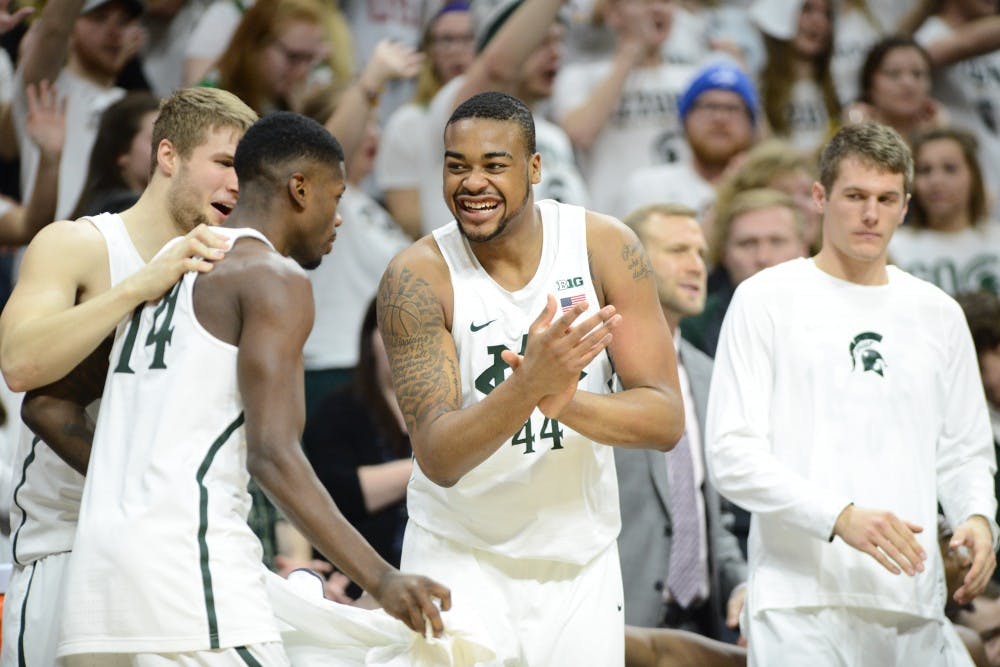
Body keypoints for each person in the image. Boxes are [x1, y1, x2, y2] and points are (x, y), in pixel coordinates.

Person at [57, 111, 450, 664]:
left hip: (96, 588)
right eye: (335, 198)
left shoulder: (164, 269)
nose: (339, 219)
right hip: (187, 573)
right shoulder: (272, 278)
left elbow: (47, 407)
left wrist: (139, 477)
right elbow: (273, 455)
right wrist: (382, 579)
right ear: (299, 188)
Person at [377, 90, 684, 665]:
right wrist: (529, 386)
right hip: (458, 553)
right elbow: (440, 458)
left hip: (580, 559)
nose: (472, 183)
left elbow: (665, 419)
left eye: (494, 165)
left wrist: (564, 400)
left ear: (534, 168)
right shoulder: (416, 277)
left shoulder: (605, 246)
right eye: (456, 166)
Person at [706, 121, 998, 666]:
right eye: (856, 197)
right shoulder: (765, 298)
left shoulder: (938, 313)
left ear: (906, 206)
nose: (871, 214)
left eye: (887, 199)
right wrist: (839, 515)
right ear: (820, 197)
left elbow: (964, 451)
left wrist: (977, 517)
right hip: (798, 605)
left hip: (913, 601)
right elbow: (731, 454)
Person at [0, 86, 256, 667]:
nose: (237, 185)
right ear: (168, 157)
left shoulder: (225, 273)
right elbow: (19, 363)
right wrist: (140, 285)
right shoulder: (78, 244)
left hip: (175, 555)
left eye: (246, 170)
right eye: (223, 163)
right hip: (66, 548)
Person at [617, 203, 747, 639]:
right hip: (619, 624)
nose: (696, 266)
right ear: (629, 261)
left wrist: (741, 581)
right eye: (677, 250)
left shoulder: (707, 371)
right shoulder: (593, 368)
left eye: (700, 253)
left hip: (704, 625)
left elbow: (714, 509)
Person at [302, 298, 413, 599]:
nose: (402, 339)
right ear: (370, 337)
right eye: (390, 329)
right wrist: (432, 466)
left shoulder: (451, 407)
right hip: (356, 583)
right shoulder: (339, 409)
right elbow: (337, 493)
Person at [11, 0, 143, 219]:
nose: (114, 32)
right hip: (48, 247)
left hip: (115, 249)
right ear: (71, 26)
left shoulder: (135, 106)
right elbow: (54, 29)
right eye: (99, 18)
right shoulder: (47, 87)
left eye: (124, 22)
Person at [617, 60, 759, 219]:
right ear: (685, 119)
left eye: (732, 109)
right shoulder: (648, 187)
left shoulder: (768, 189)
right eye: (710, 106)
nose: (720, 118)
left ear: (751, 125)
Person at [681, 188, 809, 359]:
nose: (762, 257)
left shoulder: (835, 312)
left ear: (803, 249)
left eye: (777, 242)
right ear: (724, 254)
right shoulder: (696, 325)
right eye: (747, 244)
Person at [890, 127, 1000, 296]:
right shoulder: (893, 247)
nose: (936, 181)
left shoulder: (996, 239)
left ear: (973, 176)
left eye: (950, 168)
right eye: (925, 170)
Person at [71, 91, 161, 218]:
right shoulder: (124, 209)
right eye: (157, 139)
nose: (168, 151)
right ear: (122, 152)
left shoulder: (101, 203)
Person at [842, 35, 947, 141]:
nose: (908, 83)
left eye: (917, 74)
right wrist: (858, 135)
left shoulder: (940, 132)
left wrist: (939, 136)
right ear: (869, 83)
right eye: (893, 73)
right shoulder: (851, 131)